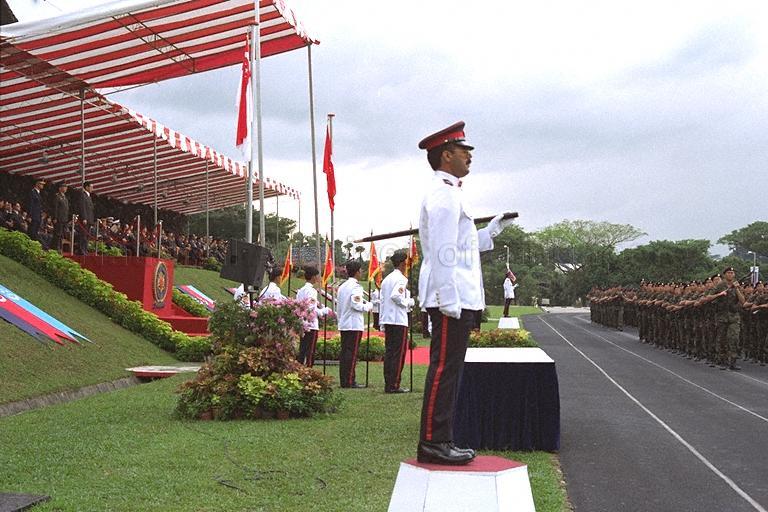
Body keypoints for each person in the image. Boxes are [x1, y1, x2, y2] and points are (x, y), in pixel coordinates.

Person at [416, 121, 515, 465]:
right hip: (450, 299)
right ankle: (433, 442)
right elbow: (443, 252)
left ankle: (441, 438)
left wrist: (492, 231)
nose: (469, 156)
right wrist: (448, 301)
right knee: (444, 370)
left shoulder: (452, 191)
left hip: (456, 296)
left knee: (451, 370)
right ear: (446, 156)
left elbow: (463, 249)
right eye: (463, 150)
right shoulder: (443, 194)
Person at [379, 249, 415, 393]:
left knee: (390, 353)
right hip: (398, 320)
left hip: (389, 319)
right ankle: (394, 384)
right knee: (398, 354)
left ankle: (389, 382)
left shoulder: (387, 279)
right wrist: (409, 302)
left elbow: (383, 300)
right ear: (402, 263)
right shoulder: (401, 278)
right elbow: (396, 296)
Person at [336, 260, 373, 388]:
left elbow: (339, 307)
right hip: (353, 324)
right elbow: (356, 304)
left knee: (345, 352)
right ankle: (350, 380)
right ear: (357, 272)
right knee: (351, 353)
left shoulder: (342, 287)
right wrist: (368, 305)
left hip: (345, 323)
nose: (361, 272)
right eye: (361, 270)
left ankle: (345, 379)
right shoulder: (356, 287)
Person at [295, 266, 332, 367]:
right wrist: (324, 311)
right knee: (310, 350)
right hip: (311, 324)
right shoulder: (311, 291)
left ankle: (300, 369)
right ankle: (308, 370)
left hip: (302, 322)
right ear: (313, 277)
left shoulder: (301, 290)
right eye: (317, 276)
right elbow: (312, 309)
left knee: (302, 349)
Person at [77, 181, 95, 255]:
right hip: (85, 219)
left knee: (87, 235)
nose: (92, 189)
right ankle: (82, 249)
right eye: (91, 187)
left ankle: (85, 249)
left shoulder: (88, 196)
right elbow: (82, 207)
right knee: (83, 235)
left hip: (89, 218)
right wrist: (84, 218)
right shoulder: (83, 195)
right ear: (86, 187)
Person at [51, 182, 69, 252]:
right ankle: (55, 247)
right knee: (57, 233)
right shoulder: (57, 196)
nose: (66, 188)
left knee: (61, 234)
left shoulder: (65, 197)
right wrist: (55, 217)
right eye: (64, 187)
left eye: (66, 187)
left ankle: (59, 247)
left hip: (64, 218)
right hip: (59, 218)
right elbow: (55, 208)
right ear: (60, 188)